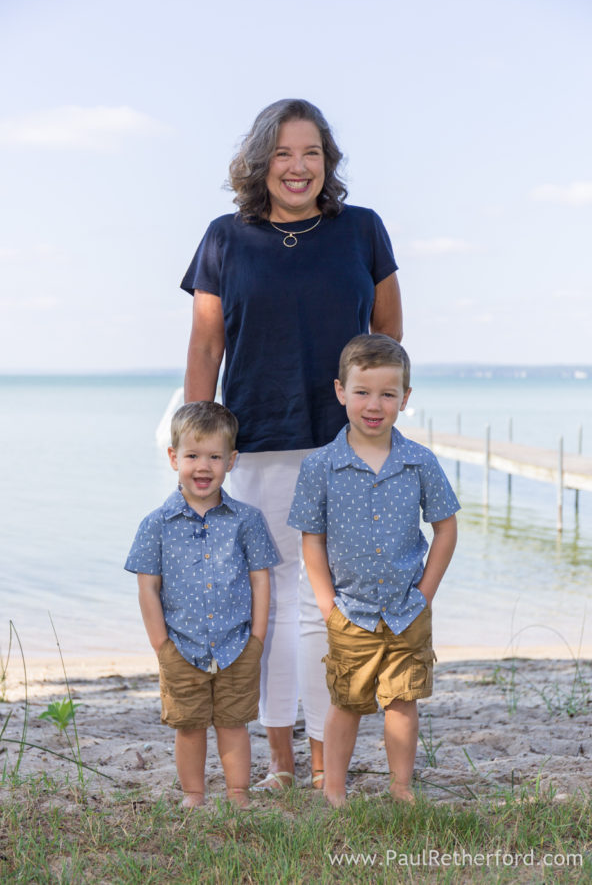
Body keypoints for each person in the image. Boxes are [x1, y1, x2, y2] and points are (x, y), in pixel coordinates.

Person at [180, 98, 402, 791]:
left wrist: (380, 427)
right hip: (255, 446)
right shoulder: (224, 237)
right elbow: (207, 343)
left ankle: (319, 761)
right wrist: (196, 440)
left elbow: (387, 338)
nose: (297, 167)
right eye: (282, 153)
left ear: (327, 163)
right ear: (260, 162)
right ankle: (278, 764)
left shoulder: (362, 231)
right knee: (266, 603)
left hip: (343, 448)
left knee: (322, 601)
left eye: (311, 153)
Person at [288, 334, 460, 806]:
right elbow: (312, 541)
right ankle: (336, 789)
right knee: (347, 702)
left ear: (405, 399)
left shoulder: (420, 461)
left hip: (408, 608)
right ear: (341, 391)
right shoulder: (320, 465)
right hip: (350, 610)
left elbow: (446, 529)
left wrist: (426, 592)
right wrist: (328, 606)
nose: (374, 404)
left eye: (388, 394)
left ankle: (401, 787)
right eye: (363, 392)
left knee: (403, 701)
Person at [125, 402, 279, 808]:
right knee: (189, 727)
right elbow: (147, 589)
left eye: (214, 456)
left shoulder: (247, 520)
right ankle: (194, 794)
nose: (203, 466)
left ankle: (237, 793)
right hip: (180, 646)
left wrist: (257, 639)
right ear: (174, 457)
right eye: (193, 455)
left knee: (233, 724)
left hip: (238, 645)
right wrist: (162, 647)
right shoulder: (155, 524)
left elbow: (260, 580)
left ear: (232, 460)